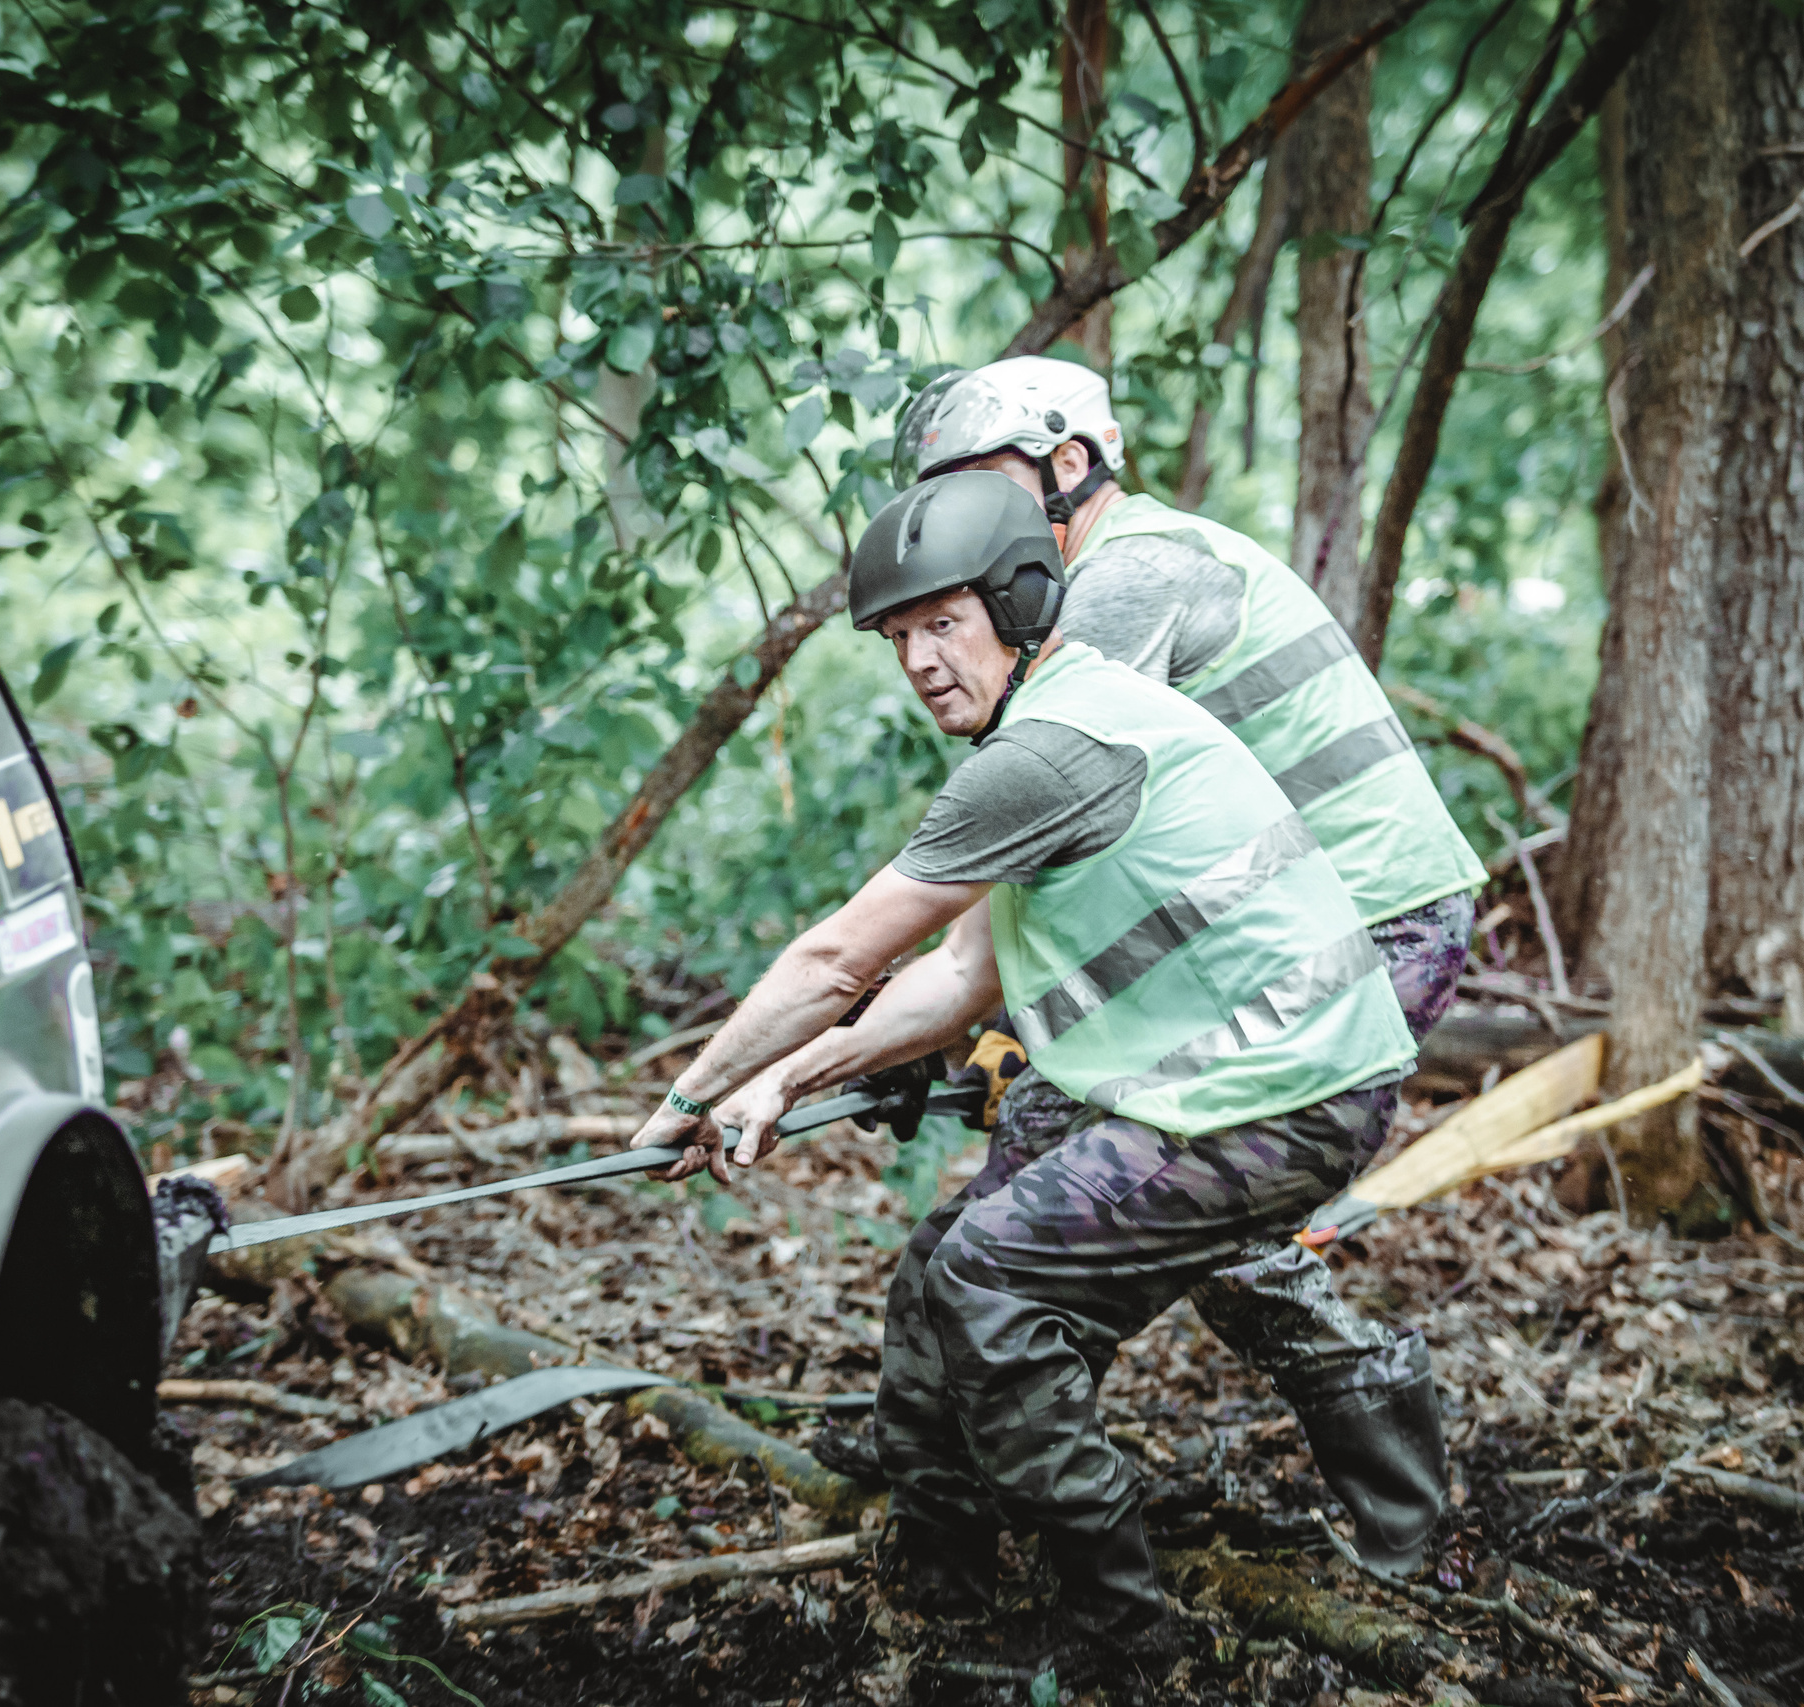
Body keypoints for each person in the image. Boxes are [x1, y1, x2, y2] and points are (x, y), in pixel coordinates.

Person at [625, 472, 1423, 1642]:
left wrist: (687, 1095)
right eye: (897, 638)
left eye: (942, 624)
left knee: (985, 1281)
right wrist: (781, 1080)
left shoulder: (1051, 747)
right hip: (1220, 1088)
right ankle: (943, 1577)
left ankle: (1121, 1627)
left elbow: (839, 959)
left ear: (1020, 602)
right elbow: (961, 979)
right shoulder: (1063, 717)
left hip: (1277, 1099)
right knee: (936, 1273)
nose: (919, 661)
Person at [889, 355, 1485, 1564]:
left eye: (982, 484)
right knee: (1101, 1188)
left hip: (1370, 917)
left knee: (1178, 1199)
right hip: (1258, 926)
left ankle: (1389, 1521)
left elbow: (1031, 817)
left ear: (1070, 465)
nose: (962, 518)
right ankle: (950, 1463)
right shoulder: (1077, 583)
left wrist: (941, 1012)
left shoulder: (1128, 577)